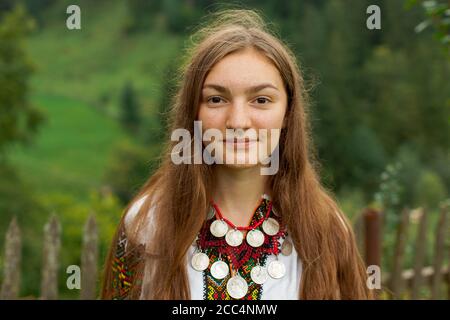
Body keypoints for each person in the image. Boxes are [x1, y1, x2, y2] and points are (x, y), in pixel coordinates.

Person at [101, 9, 372, 300]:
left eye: (261, 100)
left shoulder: (325, 229)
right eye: (216, 99)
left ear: (287, 113)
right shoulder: (145, 225)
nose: (238, 121)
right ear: (194, 111)